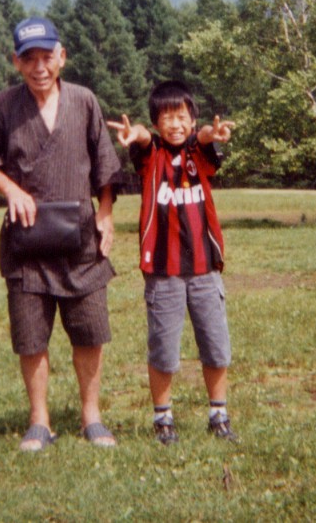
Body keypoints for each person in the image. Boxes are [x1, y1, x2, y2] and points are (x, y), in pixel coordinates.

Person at [0, 16, 124, 452]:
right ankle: (39, 421)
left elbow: (105, 165)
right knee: (31, 337)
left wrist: (106, 213)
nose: (39, 67)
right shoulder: (3, 106)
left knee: (90, 332)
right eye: (29, 59)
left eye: (46, 57)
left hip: (81, 239)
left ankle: (91, 416)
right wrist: (12, 190)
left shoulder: (84, 100)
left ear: (62, 57)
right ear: (16, 62)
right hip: (27, 243)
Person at [108, 80, 238, 444]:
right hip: (163, 273)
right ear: (156, 122)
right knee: (164, 350)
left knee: (215, 345)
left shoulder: (199, 151)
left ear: (192, 120)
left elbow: (206, 139)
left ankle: (219, 414)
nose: (175, 124)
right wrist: (136, 133)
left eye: (182, 117)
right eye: (167, 118)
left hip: (205, 269)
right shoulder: (152, 155)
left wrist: (212, 133)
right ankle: (163, 419)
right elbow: (143, 139)